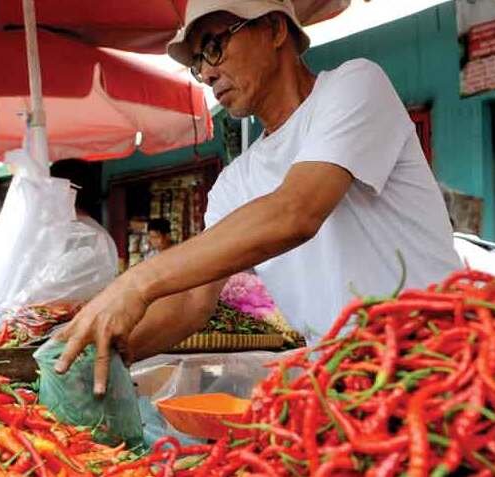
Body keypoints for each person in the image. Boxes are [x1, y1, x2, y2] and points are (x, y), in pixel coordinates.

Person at [56, 0, 462, 394]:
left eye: (214, 46)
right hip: (348, 388)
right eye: (198, 62)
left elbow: (297, 211)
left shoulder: (355, 85)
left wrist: (137, 282)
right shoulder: (236, 182)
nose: (207, 73)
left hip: (443, 365)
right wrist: (86, 354)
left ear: (274, 29)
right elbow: (192, 303)